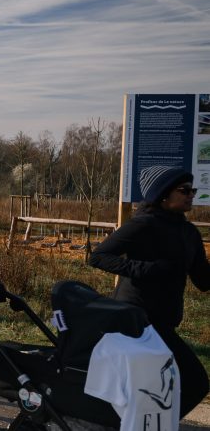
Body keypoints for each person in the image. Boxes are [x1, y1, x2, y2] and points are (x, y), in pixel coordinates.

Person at [90, 165, 210, 418]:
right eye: (184, 190)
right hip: (135, 320)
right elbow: (99, 257)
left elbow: (203, 279)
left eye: (193, 190)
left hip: (164, 322)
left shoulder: (189, 232)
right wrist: (147, 269)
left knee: (159, 387)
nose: (191, 195)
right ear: (163, 195)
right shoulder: (144, 224)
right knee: (195, 381)